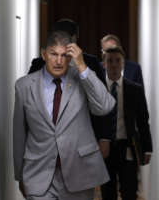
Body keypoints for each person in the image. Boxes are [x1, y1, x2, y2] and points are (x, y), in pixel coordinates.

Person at [13, 30, 116, 200]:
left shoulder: (81, 80)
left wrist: (82, 66)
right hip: (38, 172)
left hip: (79, 172)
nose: (59, 61)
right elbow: (19, 133)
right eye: (53, 54)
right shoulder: (24, 86)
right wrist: (20, 175)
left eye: (63, 55)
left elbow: (105, 106)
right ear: (43, 54)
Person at [28, 19, 112, 158]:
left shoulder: (90, 63)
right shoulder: (39, 63)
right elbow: (29, 101)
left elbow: (102, 98)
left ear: (75, 39)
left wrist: (104, 138)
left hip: (83, 140)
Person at [98, 46, 153, 200]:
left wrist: (147, 148)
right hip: (104, 149)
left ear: (123, 64)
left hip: (127, 147)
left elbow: (143, 120)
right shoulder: (98, 89)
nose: (114, 65)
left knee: (129, 193)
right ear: (104, 64)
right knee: (108, 194)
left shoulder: (134, 89)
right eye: (110, 61)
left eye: (117, 61)